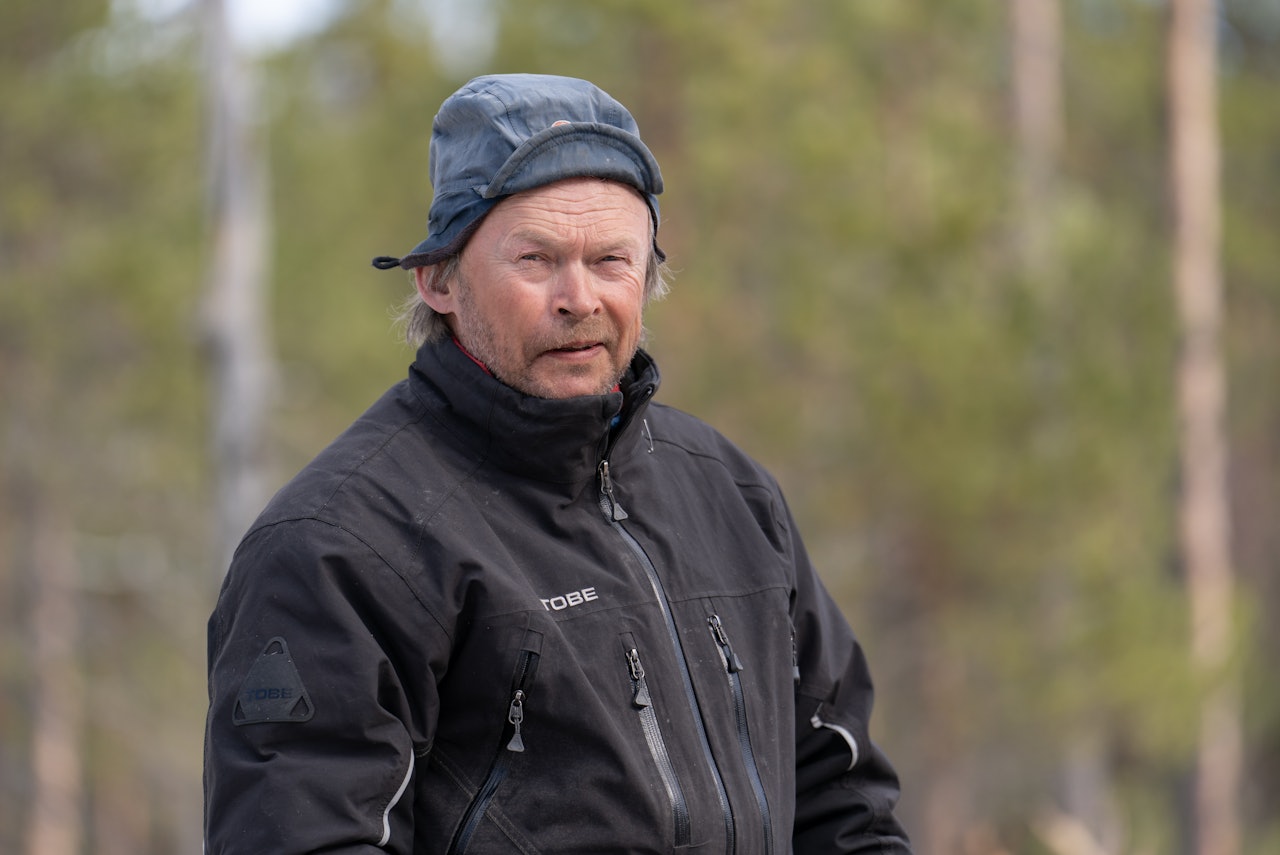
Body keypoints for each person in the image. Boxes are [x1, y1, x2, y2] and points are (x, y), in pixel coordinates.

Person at [203, 73, 912, 854]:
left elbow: (846, 805)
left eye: (611, 259)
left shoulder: (730, 493)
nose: (579, 297)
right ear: (437, 278)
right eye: (536, 259)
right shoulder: (339, 544)